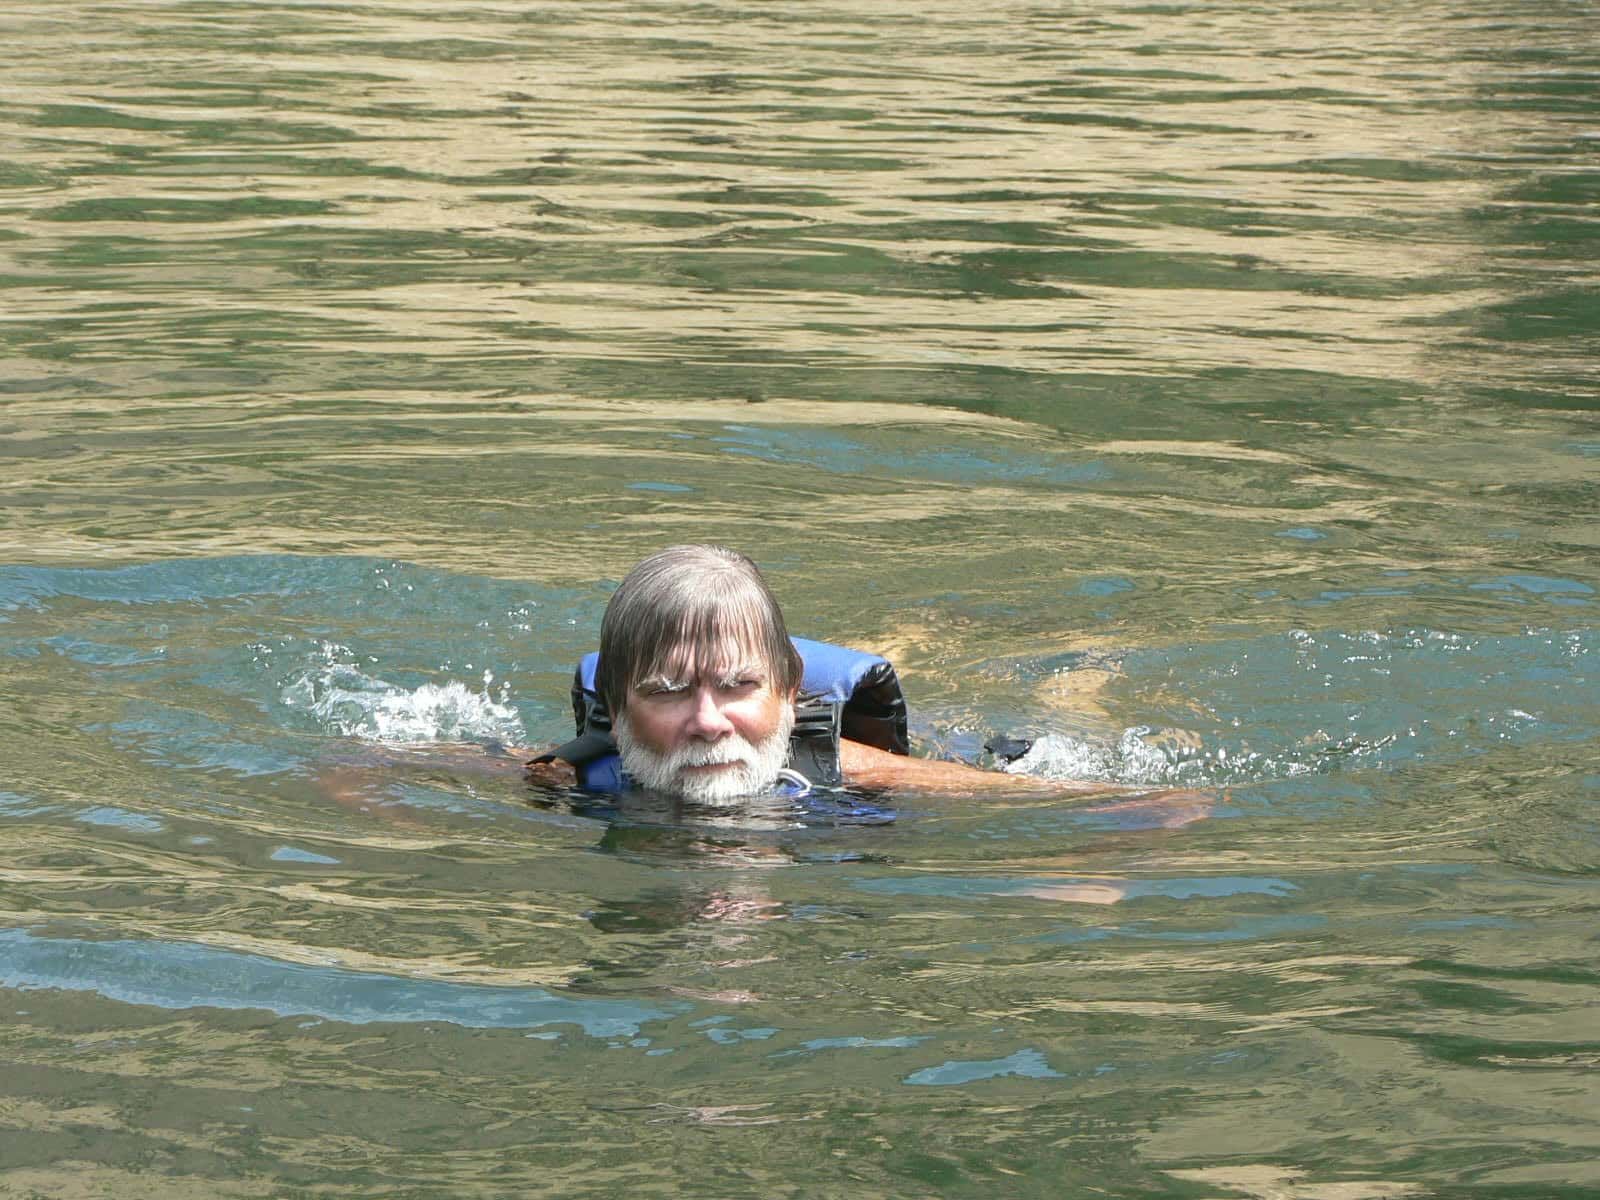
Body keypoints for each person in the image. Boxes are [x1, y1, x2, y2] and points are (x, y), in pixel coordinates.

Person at [523, 543, 1124, 802]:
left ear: (790, 693)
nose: (708, 722)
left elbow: (1138, 803)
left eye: (740, 685)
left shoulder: (861, 770)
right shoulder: (568, 774)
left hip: (959, 741)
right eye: (668, 692)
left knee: (1061, 714)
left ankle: (1088, 666)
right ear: (617, 705)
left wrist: (1088, 869)